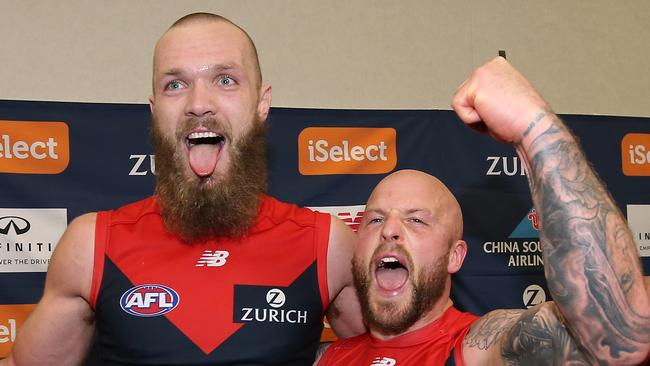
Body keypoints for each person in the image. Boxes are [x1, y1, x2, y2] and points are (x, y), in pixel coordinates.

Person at [1, 13, 364, 366]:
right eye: (175, 85)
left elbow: (400, 350)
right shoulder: (91, 245)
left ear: (261, 103)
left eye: (225, 80)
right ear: (154, 109)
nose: (198, 104)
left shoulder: (328, 245)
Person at [316, 57, 650, 365]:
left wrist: (534, 127)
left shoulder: (478, 345)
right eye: (375, 219)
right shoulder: (328, 357)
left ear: (454, 256)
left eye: (416, 220)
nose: (389, 229)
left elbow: (618, 333)